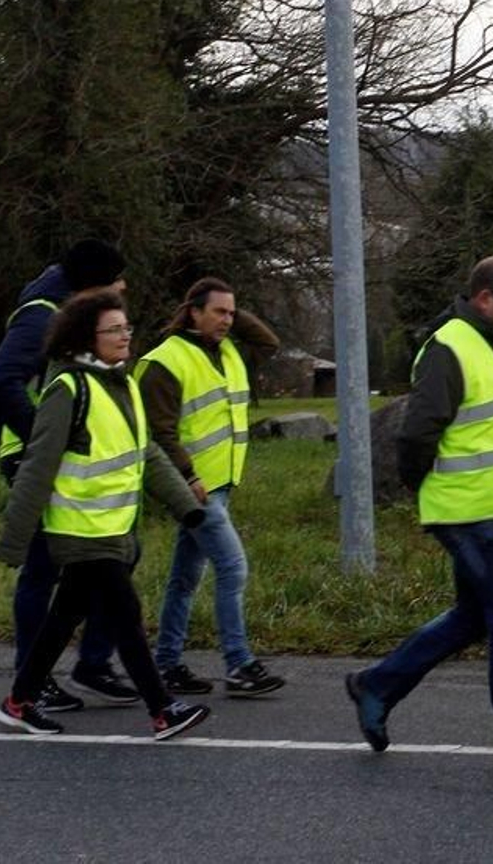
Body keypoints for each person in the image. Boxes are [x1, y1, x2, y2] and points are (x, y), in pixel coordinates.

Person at [345, 256, 493, 769]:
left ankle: (375, 685)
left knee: (476, 616)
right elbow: (415, 433)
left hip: (489, 509)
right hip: (469, 513)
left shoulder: (492, 343)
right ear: (484, 300)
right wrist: (423, 488)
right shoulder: (449, 347)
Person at [0, 288, 212, 741]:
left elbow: (146, 452)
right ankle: (162, 710)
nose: (124, 336)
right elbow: (37, 465)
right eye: (113, 330)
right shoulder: (67, 389)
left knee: (63, 618)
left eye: (126, 327)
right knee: (125, 613)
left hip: (113, 528)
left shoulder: (123, 383)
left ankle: (18, 702)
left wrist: (184, 505)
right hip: (78, 530)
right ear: (83, 338)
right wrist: (15, 540)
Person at [0, 239, 138, 711]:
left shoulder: (71, 307)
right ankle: (33, 678)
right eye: (116, 279)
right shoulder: (42, 313)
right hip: (37, 459)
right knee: (45, 568)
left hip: (71, 459)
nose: (124, 286)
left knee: (117, 555)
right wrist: (43, 438)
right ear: (93, 283)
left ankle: (90, 664)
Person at [135, 277, 285, 698]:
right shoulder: (166, 360)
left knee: (185, 577)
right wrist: (188, 476)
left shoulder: (230, 352)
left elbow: (269, 342)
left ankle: (166, 664)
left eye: (231, 313)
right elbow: (158, 432)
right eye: (217, 312)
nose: (227, 320)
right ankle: (238, 664)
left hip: (219, 484)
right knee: (232, 567)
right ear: (193, 311)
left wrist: (233, 318)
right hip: (193, 488)